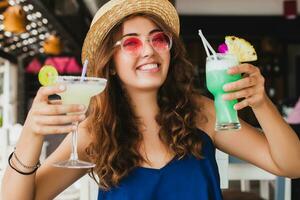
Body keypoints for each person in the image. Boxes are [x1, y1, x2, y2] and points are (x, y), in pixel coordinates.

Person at [2, 0, 300, 199]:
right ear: (111, 63)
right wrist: (31, 134)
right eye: (131, 43)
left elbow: (292, 166)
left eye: (158, 39)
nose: (149, 50)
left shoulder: (201, 114)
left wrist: (261, 103)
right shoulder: (95, 132)